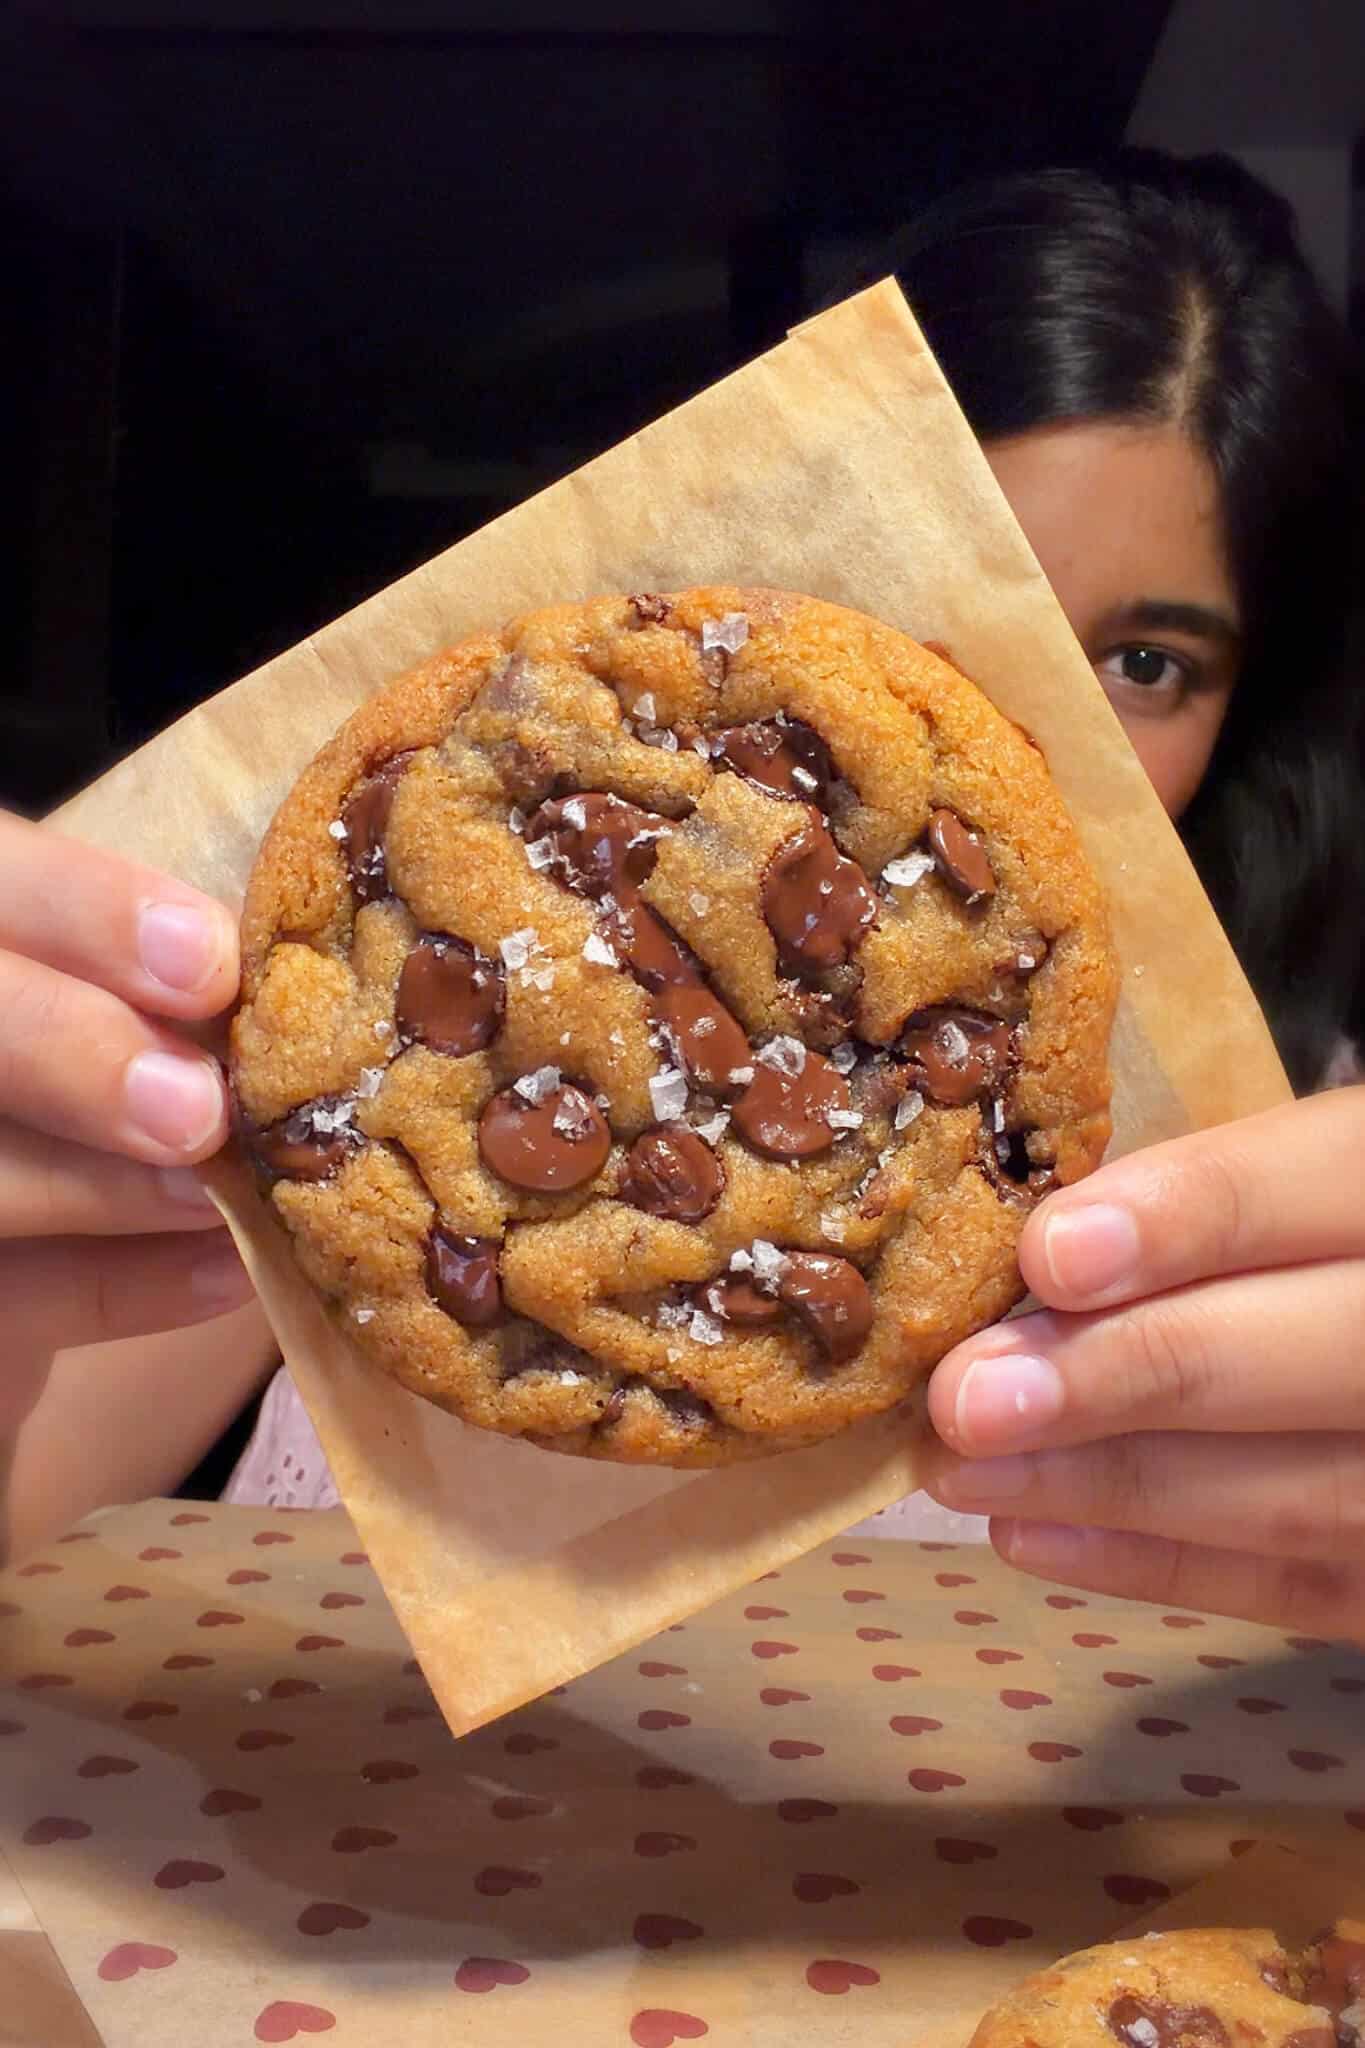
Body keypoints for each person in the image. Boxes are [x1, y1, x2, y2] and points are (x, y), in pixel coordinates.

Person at [2, 149, 1363, 1640]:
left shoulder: (1313, 1182)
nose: (1014, 726)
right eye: (965, 584)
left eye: (1145, 662)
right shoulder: (319, 1056)